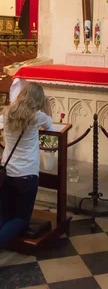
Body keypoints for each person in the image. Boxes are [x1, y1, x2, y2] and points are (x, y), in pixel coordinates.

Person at [0, 82, 52, 249]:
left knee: (5, 215)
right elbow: (49, 124)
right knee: (22, 220)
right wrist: (47, 105)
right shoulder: (37, 116)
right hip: (27, 175)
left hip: (7, 172)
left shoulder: (6, 113)